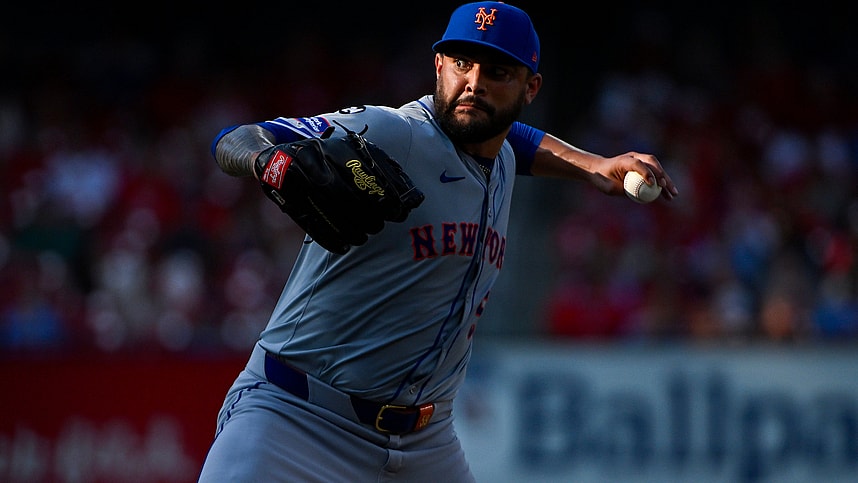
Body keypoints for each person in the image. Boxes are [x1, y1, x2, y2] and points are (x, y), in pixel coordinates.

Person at [198, 2, 679, 481]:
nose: (473, 83)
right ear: (438, 65)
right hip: (297, 421)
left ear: (530, 88)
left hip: (425, 444)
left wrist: (593, 165)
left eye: (497, 72)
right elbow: (236, 139)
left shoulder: (501, 150)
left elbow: (515, 139)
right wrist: (275, 163)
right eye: (461, 64)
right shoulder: (395, 132)